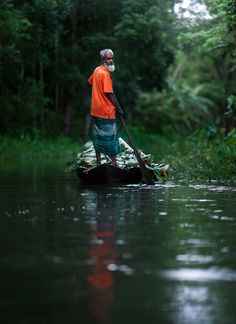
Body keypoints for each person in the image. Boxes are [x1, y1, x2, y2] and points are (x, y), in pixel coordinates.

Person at [88, 49, 123, 167]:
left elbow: (90, 82)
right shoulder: (105, 74)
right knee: (111, 137)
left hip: (95, 110)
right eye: (108, 58)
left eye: (112, 58)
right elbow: (110, 93)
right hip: (106, 111)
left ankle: (98, 163)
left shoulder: (96, 70)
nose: (111, 60)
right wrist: (119, 108)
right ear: (103, 60)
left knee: (97, 136)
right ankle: (114, 163)